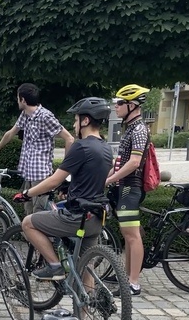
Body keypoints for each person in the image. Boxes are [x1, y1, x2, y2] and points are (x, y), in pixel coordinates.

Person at [14, 97, 113, 280]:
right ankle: (88, 306)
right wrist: (69, 186)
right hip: (96, 217)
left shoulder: (80, 146)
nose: (74, 124)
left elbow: (53, 180)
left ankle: (54, 265)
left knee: (28, 222)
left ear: (85, 120)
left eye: (76, 120)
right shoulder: (106, 148)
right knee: (86, 266)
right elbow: (90, 175)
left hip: (76, 217)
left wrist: (27, 194)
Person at [0, 83, 74, 214]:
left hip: (41, 176)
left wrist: (64, 170)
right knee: (28, 213)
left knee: (39, 216)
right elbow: (10, 133)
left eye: (17, 98)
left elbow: (69, 138)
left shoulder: (45, 116)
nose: (17, 101)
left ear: (23, 100)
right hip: (28, 174)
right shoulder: (25, 115)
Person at [104, 84, 151, 296]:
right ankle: (127, 277)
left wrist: (111, 179)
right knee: (128, 234)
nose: (116, 107)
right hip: (125, 187)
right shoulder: (131, 128)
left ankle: (133, 283)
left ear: (132, 105)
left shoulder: (139, 129)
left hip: (131, 187)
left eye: (120, 103)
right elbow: (122, 159)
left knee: (132, 235)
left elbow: (133, 162)